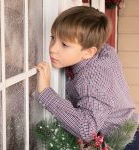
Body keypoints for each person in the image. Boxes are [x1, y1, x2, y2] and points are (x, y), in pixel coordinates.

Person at [35, 6, 138, 147]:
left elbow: (87, 129)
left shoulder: (91, 81)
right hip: (131, 127)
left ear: (89, 52)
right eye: (53, 37)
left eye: (64, 44)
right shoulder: (104, 52)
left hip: (125, 142)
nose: (52, 48)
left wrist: (46, 93)